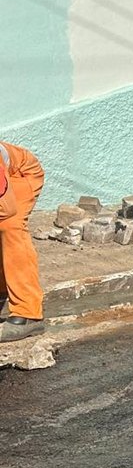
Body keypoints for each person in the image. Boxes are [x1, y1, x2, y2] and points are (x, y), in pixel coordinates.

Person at [0, 142, 46, 342]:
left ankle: (28, 313)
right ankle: (2, 292)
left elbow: (6, 208)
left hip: (21, 174)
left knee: (10, 226)